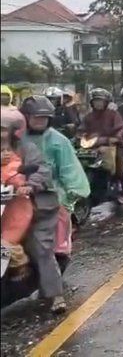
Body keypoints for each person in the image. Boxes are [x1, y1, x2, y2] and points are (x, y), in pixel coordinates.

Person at [19, 96, 89, 314]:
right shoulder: (15, 140)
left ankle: (55, 294)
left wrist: (69, 197)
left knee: (46, 247)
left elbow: (69, 169)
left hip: (50, 197)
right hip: (16, 198)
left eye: (44, 118)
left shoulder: (59, 141)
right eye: (36, 117)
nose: (40, 121)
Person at [1, 110, 56, 293]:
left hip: (22, 202)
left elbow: (42, 170)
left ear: (15, 130)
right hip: (2, 203)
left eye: (3, 129)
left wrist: (29, 185)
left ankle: (54, 294)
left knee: (41, 246)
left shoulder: (27, 149)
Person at [81, 88, 123, 204]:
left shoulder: (113, 114)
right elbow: (81, 130)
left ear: (106, 102)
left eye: (101, 101)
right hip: (93, 146)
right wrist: (80, 137)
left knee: (121, 169)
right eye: (96, 101)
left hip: (112, 145)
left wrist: (115, 138)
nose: (98, 103)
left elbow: (120, 129)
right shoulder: (88, 116)